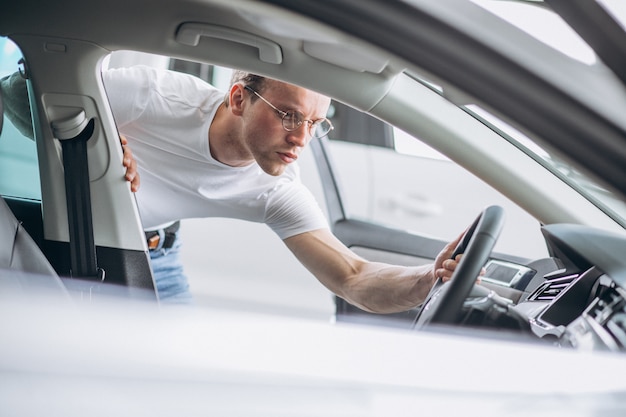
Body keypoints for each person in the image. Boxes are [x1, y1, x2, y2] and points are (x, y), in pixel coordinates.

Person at [2, 66, 465, 311]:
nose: (302, 138)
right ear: (239, 98)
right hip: (75, 245)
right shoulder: (154, 95)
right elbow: (17, 96)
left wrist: (428, 280)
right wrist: (96, 139)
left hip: (156, 254)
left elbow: (353, 277)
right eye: (288, 114)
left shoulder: (276, 189)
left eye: (314, 123)